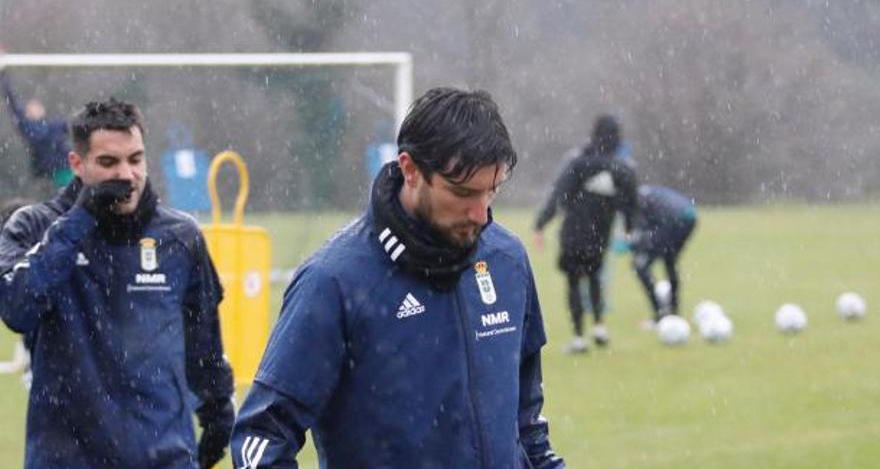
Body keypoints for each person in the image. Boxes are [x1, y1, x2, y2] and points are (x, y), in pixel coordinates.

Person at [230, 87, 565, 468]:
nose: (480, 214)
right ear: (410, 169)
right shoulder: (334, 281)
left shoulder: (507, 261)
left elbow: (527, 422)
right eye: (462, 192)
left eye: (492, 191)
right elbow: (261, 438)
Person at [0, 98, 234, 468]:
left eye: (135, 159)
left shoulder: (179, 237)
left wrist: (219, 415)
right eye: (109, 163)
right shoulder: (34, 227)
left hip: (163, 459)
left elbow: (203, 344)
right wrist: (82, 219)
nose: (126, 175)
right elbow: (17, 307)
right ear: (77, 164)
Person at [533, 114, 638, 353]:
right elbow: (631, 203)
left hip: (573, 232)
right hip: (600, 235)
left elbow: (558, 195)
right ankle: (599, 327)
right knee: (594, 277)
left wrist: (541, 224)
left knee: (573, 282)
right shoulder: (622, 168)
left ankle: (579, 337)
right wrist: (629, 229)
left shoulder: (579, 163)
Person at [0, 63, 74, 190]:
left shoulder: (54, 125)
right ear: (27, 113)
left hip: (67, 169)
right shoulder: (28, 127)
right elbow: (13, 102)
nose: (35, 107)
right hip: (51, 175)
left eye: (37, 105)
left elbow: (76, 123)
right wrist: (3, 74)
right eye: (31, 106)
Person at [630, 184, 698, 322]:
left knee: (640, 265)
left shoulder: (634, 200)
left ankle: (660, 314)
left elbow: (641, 233)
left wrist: (634, 243)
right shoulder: (646, 191)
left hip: (673, 221)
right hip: (690, 216)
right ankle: (674, 311)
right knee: (669, 260)